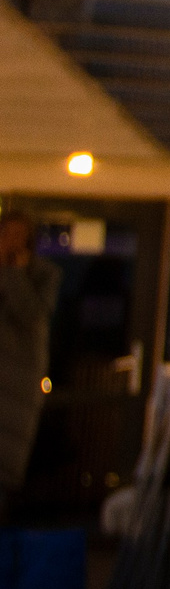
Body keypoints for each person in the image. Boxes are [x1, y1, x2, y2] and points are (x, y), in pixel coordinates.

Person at [0, 210, 58, 518]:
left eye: (18, 236)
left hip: (15, 385)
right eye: (6, 234)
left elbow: (32, 315)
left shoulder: (42, 275)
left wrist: (14, 273)